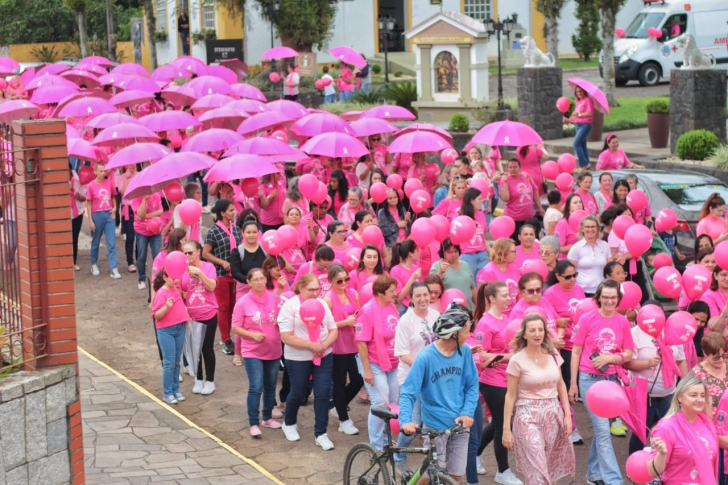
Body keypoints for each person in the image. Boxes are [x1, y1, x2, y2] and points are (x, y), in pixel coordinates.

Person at [399, 305, 480, 484]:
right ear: (454, 334)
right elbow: (408, 392)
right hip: (435, 427)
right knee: (432, 475)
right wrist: (406, 421)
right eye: (466, 331)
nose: (469, 336)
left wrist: (467, 412)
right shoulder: (425, 357)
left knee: (456, 477)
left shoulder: (464, 351)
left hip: (459, 425)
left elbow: (472, 385)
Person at [569, 279, 634, 485]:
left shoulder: (623, 322)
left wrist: (610, 358)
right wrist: (573, 383)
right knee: (604, 431)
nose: (609, 301)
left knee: (601, 429)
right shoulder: (587, 319)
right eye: (605, 297)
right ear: (598, 298)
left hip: (611, 379)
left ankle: (593, 474)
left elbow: (629, 353)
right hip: (589, 379)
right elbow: (576, 351)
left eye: (613, 297)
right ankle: (614, 480)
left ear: (618, 299)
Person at [502, 314, 575, 485]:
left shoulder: (553, 354)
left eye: (540, 330)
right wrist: (507, 429)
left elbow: (561, 386)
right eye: (532, 330)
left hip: (553, 414)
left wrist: (567, 416)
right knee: (537, 467)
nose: (537, 333)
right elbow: (510, 395)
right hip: (527, 416)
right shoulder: (516, 360)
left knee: (547, 468)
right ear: (524, 334)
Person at [277, 273, 338, 449]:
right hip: (298, 357)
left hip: (323, 354)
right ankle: (289, 422)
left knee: (323, 392)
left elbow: (333, 329)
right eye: (310, 289)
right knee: (298, 392)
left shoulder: (322, 304)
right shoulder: (290, 306)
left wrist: (323, 345)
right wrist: (311, 346)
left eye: (317, 289)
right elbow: (286, 337)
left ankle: (321, 433)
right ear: (300, 288)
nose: (314, 293)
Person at [473, 282, 523, 485]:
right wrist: (507, 356)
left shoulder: (507, 318)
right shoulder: (485, 323)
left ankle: (474, 455)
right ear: (492, 298)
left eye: (509, 294)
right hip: (492, 380)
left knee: (497, 423)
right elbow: (480, 352)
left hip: (508, 377)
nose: (509, 298)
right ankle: (503, 471)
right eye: (504, 295)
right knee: (503, 426)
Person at [625, 299, 687, 455]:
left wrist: (686, 387)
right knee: (641, 433)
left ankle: (662, 466)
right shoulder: (634, 333)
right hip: (644, 394)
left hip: (668, 393)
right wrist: (648, 362)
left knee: (667, 431)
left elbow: (680, 361)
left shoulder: (672, 330)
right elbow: (627, 364)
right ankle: (635, 466)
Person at [392, 282, 439, 474]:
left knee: (434, 422)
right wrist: (425, 368)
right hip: (411, 379)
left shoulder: (436, 316)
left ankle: (434, 461)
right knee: (412, 422)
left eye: (425, 295)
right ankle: (399, 456)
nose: (423, 299)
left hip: (433, 379)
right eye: (418, 295)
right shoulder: (406, 321)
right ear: (410, 299)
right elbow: (403, 354)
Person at [232, 267, 282, 437]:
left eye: (262, 278)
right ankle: (253, 422)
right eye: (256, 279)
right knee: (256, 386)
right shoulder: (243, 303)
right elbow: (235, 327)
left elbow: (282, 317)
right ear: (248, 282)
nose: (260, 282)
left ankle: (267, 418)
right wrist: (252, 334)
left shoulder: (273, 297)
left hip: (274, 349)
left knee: (271, 385)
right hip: (252, 351)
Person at [356, 274, 401, 451]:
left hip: (393, 363)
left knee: (392, 401)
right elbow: (361, 342)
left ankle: (386, 438)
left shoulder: (391, 306)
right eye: (391, 291)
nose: (396, 293)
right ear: (380, 293)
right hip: (374, 363)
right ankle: (376, 444)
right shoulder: (367, 311)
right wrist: (367, 370)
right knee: (380, 403)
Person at [648, 376, 719, 485]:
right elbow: (653, 472)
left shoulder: (707, 423)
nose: (699, 400)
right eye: (693, 395)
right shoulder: (666, 428)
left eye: (703, 396)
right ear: (679, 397)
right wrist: (662, 454)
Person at [323, 263, 362, 436]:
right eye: (339, 281)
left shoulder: (354, 293)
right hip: (337, 345)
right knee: (338, 382)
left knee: (358, 379)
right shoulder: (327, 299)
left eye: (346, 279)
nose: (344, 283)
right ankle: (344, 419)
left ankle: (337, 407)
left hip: (353, 343)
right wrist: (345, 323)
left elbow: (359, 315)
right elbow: (325, 326)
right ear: (331, 281)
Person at [202, 199, 243, 356]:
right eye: (231, 210)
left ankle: (232, 336)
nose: (234, 213)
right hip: (220, 274)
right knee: (223, 307)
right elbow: (205, 253)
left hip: (236, 274)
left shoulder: (236, 229)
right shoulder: (213, 231)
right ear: (222, 213)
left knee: (234, 306)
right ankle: (225, 339)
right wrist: (222, 262)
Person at [180, 241, 218, 395]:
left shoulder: (209, 267)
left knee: (206, 347)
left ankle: (210, 380)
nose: (188, 256)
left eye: (190, 252)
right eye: (185, 253)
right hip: (191, 315)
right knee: (194, 349)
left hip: (208, 313)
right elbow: (181, 292)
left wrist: (200, 273)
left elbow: (212, 286)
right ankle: (198, 378)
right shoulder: (182, 270)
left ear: (198, 252)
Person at [230, 219, 267, 365]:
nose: (251, 235)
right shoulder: (237, 251)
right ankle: (238, 353)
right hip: (244, 289)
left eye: (254, 232)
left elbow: (269, 268)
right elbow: (235, 272)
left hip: (263, 288)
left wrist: (261, 282)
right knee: (242, 322)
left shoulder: (264, 250)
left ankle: (262, 350)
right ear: (243, 233)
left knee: (263, 319)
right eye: (248, 232)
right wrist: (250, 282)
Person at [151, 269, 189, 404]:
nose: (177, 280)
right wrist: (166, 307)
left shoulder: (174, 289)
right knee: (169, 362)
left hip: (179, 328)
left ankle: (175, 390)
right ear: (165, 277)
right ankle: (167, 393)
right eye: (174, 277)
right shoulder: (161, 293)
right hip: (166, 330)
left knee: (176, 361)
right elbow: (156, 315)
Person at [509, 273, 569, 348]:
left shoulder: (544, 301)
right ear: (522, 292)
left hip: (553, 353)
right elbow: (520, 341)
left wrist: (558, 338)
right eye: (531, 291)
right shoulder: (518, 312)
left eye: (538, 290)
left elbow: (559, 323)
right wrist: (550, 344)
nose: (535, 293)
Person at [86, 162, 121, 279]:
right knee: (96, 241)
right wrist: (90, 220)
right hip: (96, 215)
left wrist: (115, 208)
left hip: (109, 214)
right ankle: (94, 264)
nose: (102, 173)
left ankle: (113, 267)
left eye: (104, 171)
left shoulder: (109, 183)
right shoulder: (91, 186)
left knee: (111, 242)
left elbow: (113, 196)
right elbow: (89, 204)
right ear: (95, 172)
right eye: (100, 171)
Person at [568, 215, 612, 296]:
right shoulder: (576, 248)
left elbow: (610, 267)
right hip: (581, 291)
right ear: (582, 229)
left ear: (598, 228)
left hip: (601, 290)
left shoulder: (605, 246)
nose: (590, 229)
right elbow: (569, 271)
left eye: (593, 227)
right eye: (587, 227)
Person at [500, 159, 544, 236]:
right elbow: (505, 198)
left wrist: (540, 207)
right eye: (510, 167)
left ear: (520, 167)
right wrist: (506, 182)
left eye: (515, 167)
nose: (512, 169)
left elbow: (535, 191)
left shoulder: (526, 176)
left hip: (529, 218)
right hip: (514, 220)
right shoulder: (505, 180)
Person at [476, 238, 519, 315]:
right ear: (503, 253)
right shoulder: (488, 272)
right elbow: (484, 300)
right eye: (513, 251)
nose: (516, 254)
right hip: (498, 315)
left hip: (513, 314)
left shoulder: (514, 268)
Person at [431, 238, 476, 310]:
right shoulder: (437, 266)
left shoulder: (465, 265)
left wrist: (478, 307)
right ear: (443, 252)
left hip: (468, 309)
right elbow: (432, 287)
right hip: (449, 311)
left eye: (455, 251)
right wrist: (440, 272)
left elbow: (473, 288)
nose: (453, 254)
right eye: (449, 252)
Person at [690, 332, 728, 409]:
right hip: (710, 418)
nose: (721, 360)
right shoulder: (697, 374)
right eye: (716, 357)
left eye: (724, 355)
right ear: (705, 353)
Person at [459, 187, 490, 280]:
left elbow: (482, 237)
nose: (482, 201)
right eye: (479, 199)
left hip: (482, 255)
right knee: (469, 283)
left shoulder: (481, 215)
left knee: (482, 283)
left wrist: (490, 251)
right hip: (467, 255)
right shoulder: (459, 215)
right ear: (472, 201)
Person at [389, 240, 422, 315]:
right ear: (410, 254)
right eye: (416, 250)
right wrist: (412, 278)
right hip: (403, 308)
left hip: (416, 306)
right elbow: (399, 297)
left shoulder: (416, 268)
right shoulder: (395, 270)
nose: (419, 253)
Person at [567, 85, 593, 170]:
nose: (579, 93)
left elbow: (589, 113)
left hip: (585, 125)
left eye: (581, 91)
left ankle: (583, 164)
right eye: (577, 92)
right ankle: (587, 163)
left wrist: (578, 114)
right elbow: (575, 116)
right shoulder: (578, 102)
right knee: (582, 145)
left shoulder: (588, 100)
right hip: (579, 125)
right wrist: (567, 119)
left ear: (584, 91)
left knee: (576, 144)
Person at [702, 264, 728, 334]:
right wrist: (726, 310)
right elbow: (715, 327)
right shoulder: (708, 296)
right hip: (716, 339)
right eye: (724, 275)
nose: (727, 279)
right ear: (716, 275)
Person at [69, 166, 86, 271]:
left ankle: (73, 261)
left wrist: (77, 195)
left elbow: (84, 197)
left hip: (77, 213)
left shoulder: (77, 179)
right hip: (65, 214)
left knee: (74, 238)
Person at [685, 300, 710, 369]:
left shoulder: (702, 337)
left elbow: (698, 366)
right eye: (696, 319)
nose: (698, 324)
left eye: (702, 321)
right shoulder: (677, 330)